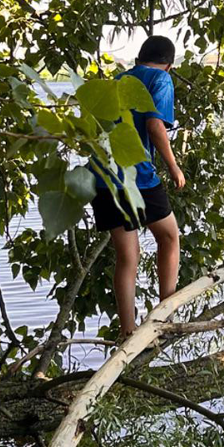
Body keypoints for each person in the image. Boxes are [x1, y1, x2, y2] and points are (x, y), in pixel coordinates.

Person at [91, 35, 186, 339]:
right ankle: (165, 314)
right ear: (169, 65)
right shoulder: (160, 79)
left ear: (139, 57)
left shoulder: (118, 80)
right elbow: (155, 126)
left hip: (103, 176)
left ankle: (127, 332)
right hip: (137, 177)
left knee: (127, 257)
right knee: (170, 237)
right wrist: (173, 166)